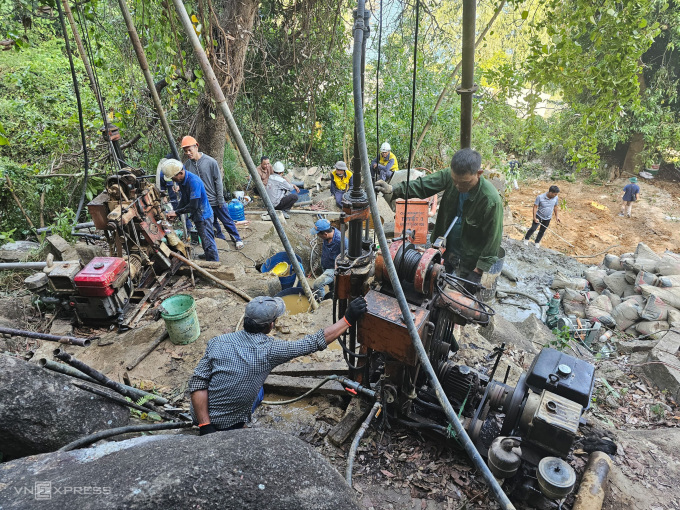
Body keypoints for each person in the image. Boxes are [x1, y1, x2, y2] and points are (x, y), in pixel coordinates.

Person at [189, 295, 368, 434]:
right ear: (270, 326)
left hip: (199, 415)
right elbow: (313, 342)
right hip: (225, 424)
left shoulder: (217, 342)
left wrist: (204, 424)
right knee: (258, 393)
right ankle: (239, 426)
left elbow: (197, 382)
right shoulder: (270, 349)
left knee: (259, 391)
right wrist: (347, 319)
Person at [375, 148, 503, 293]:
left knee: (462, 297)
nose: (458, 186)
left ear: (478, 174)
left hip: (469, 257)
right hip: (445, 248)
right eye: (455, 181)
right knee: (435, 285)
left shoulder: (491, 201)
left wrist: (478, 271)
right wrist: (394, 188)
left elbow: (493, 239)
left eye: (465, 183)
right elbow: (422, 185)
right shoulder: (450, 176)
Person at [181, 135, 244, 250]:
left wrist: (220, 198)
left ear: (196, 147)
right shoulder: (187, 166)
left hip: (215, 199)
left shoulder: (210, 162)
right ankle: (221, 240)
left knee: (227, 220)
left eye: (190, 150)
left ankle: (237, 239)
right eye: (185, 151)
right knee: (212, 223)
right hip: (203, 203)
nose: (188, 153)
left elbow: (218, 181)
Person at [163, 159, 219, 261]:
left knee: (208, 241)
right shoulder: (182, 180)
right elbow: (184, 199)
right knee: (204, 238)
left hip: (203, 215)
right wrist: (176, 212)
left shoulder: (194, 181)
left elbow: (194, 205)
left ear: (180, 173)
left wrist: (176, 212)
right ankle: (208, 254)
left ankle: (214, 263)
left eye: (173, 177)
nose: (172, 180)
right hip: (198, 214)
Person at [310, 219, 348, 299]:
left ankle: (322, 303)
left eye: (318, 234)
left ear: (325, 234)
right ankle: (332, 294)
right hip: (326, 265)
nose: (317, 236)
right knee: (331, 287)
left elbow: (348, 258)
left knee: (317, 284)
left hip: (334, 269)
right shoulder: (328, 235)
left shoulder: (342, 241)